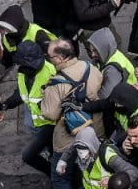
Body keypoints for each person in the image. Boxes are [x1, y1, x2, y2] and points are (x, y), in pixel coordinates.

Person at [42, 38, 104, 189]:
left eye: (49, 56)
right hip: (94, 130)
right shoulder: (92, 68)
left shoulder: (56, 83)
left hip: (67, 137)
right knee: (91, 172)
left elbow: (50, 114)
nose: (48, 59)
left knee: (60, 178)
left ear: (60, 58)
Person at [0, 41, 56, 175]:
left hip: (52, 125)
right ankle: (55, 174)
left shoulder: (52, 71)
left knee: (29, 156)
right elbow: (20, 94)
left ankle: (56, 177)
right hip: (38, 126)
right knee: (51, 154)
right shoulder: (22, 73)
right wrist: (3, 105)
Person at [57, 126, 138, 186]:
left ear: (91, 147)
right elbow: (72, 147)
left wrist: (112, 181)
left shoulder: (109, 157)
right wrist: (63, 160)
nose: (81, 156)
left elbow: (134, 172)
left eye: (84, 151)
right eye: (78, 150)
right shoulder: (81, 147)